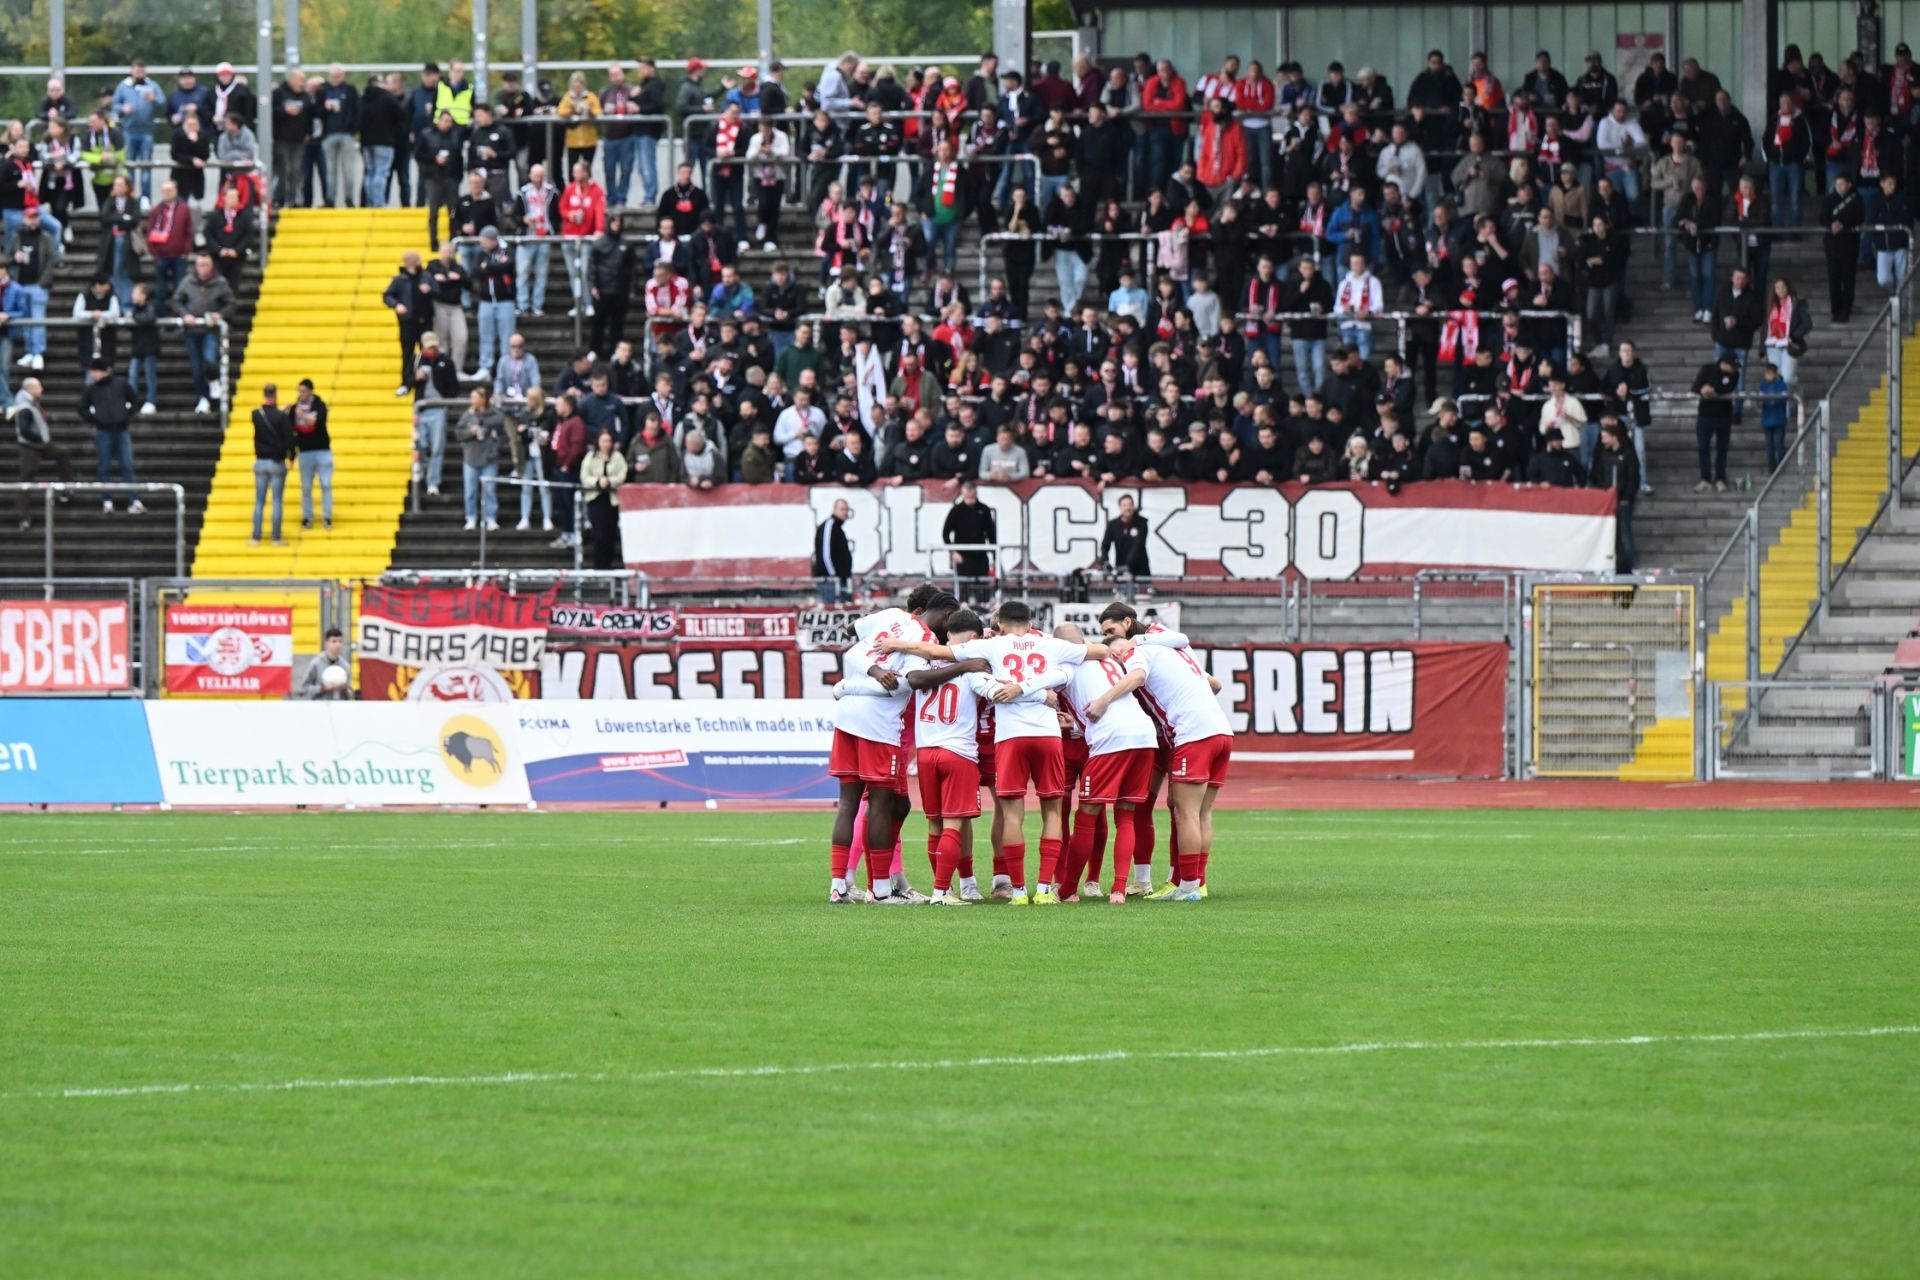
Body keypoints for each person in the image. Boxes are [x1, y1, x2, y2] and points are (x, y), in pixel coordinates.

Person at [1097, 603, 1231, 902]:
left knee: (1185, 813)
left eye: (1111, 631)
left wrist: (1103, 700)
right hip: (1220, 730)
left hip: (1191, 734)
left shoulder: (1140, 648)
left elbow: (1137, 677)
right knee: (1199, 812)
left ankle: (1187, 887)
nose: (1109, 639)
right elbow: (1214, 683)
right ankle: (1195, 882)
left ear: (1127, 624)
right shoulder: (1174, 649)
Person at [171, 254, 235, 415]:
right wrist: (185, 314)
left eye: (206, 265)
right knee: (196, 367)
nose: (203, 269)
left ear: (211, 266)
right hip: (191, 331)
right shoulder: (187, 281)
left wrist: (220, 315)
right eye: (200, 265)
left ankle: (213, 380)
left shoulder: (220, 283)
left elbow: (231, 303)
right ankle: (203, 398)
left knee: (209, 359)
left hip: (210, 330)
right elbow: (176, 301)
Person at [78, 358, 142, 513]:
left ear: (101, 371)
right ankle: (107, 499)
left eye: (94, 371)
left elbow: (135, 401)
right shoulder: (92, 389)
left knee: (127, 466)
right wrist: (96, 419)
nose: (92, 375)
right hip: (103, 431)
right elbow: (81, 408)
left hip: (121, 430)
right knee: (104, 466)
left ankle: (134, 499)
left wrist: (126, 414)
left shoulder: (121, 384)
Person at [10, 377, 73, 531]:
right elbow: (24, 430)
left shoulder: (31, 402)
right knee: (26, 480)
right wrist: (39, 439)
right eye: (39, 387)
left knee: (63, 453)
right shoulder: (25, 406)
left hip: (40, 444)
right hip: (30, 447)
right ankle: (23, 517)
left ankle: (66, 489)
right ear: (30, 389)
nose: (42, 389)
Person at [411, 330, 459, 496]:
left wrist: (446, 402)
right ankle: (424, 469)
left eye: (433, 346)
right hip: (421, 409)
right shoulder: (416, 360)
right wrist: (415, 378)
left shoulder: (445, 361)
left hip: (438, 409)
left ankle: (433, 481)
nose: (431, 350)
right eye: (428, 347)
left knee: (437, 447)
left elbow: (454, 385)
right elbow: (406, 382)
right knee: (420, 444)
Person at [1590, 418, 1640, 571]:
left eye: (1605, 437)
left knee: (1625, 532)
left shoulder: (1628, 454)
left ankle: (1629, 564)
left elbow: (1633, 477)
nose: (1602, 440)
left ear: (1614, 437)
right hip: (1607, 501)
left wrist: (1627, 497)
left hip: (1623, 501)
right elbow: (1598, 474)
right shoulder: (1604, 455)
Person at [456, 386, 506, 531]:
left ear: (483, 399)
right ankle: (471, 517)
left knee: (490, 490)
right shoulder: (467, 415)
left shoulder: (496, 416)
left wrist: (495, 447)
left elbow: (503, 436)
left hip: (489, 458)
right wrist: (469, 432)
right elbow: (459, 433)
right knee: (470, 491)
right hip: (471, 457)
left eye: (475, 397)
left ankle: (491, 517)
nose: (472, 400)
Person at [250, 383, 293, 544]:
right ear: (275, 395)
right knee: (276, 501)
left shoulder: (256, 414)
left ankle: (256, 536)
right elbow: (289, 439)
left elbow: (268, 418)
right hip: (276, 462)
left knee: (259, 501)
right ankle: (276, 537)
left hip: (260, 461)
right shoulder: (282, 417)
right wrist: (291, 457)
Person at [288, 378, 332, 531]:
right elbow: (290, 432)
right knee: (306, 487)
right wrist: (291, 455)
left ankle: (327, 516)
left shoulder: (319, 405)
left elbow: (317, 421)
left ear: (311, 392)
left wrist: (303, 415)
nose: (301, 394)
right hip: (305, 451)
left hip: (322, 450)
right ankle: (307, 516)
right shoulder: (294, 408)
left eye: (304, 391)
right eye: (299, 391)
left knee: (325, 484)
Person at [1693, 352, 1739, 492]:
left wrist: (1713, 390)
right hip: (1705, 415)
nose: (1734, 369)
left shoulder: (1734, 375)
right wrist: (1702, 390)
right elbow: (1695, 387)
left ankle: (1720, 478)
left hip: (1724, 416)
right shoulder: (1707, 369)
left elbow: (1727, 388)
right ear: (1724, 363)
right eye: (1732, 366)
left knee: (1722, 448)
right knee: (1703, 446)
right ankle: (1705, 478)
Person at [941, 479, 996, 592]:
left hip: (981, 556)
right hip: (963, 557)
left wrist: (995, 556)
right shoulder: (956, 511)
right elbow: (945, 533)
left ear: (976, 494)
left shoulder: (984, 510)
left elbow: (991, 533)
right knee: (963, 590)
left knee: (982, 590)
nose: (970, 500)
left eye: (972, 497)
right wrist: (953, 552)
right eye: (967, 497)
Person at [1823, 172, 1864, 322]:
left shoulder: (1856, 199)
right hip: (1832, 246)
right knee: (1834, 279)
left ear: (1849, 184)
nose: (1839, 187)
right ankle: (1835, 310)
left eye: (1842, 184)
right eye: (1837, 184)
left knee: (1848, 280)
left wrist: (1843, 225)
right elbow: (1822, 217)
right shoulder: (1829, 200)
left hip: (1849, 246)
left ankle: (1846, 310)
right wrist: (1831, 225)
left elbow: (1860, 217)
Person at [1764, 278, 1811, 388]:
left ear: (1788, 288)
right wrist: (1762, 349)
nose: (1781, 290)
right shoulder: (1770, 304)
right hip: (1772, 344)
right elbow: (1765, 326)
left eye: (1783, 287)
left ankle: (1792, 391)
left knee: (1787, 378)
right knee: (1775, 377)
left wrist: (1793, 336)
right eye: (1777, 288)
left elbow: (1807, 324)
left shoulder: (1797, 302)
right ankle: (1781, 398)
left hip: (1789, 344)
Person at [1095, 494, 1151, 578]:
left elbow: (1138, 545)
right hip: (1120, 568)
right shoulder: (1113, 525)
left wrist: (1127, 565)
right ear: (1120, 507)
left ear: (1133, 506)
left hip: (1140, 569)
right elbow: (1105, 545)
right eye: (1124, 505)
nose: (1128, 508)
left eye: (1130, 505)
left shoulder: (1142, 523)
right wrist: (1105, 560)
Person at [1873, 173, 1912, 290]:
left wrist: (1885, 218)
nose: (1893, 186)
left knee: (1903, 278)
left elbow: (1906, 218)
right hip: (1883, 244)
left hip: (1900, 243)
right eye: (1890, 183)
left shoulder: (1902, 198)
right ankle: (1894, 291)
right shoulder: (1876, 199)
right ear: (1882, 184)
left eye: (1894, 183)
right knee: (1883, 279)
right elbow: (1872, 219)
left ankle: (1900, 300)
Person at [814, 497, 854, 603]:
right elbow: (825, 554)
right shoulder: (829, 526)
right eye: (842, 509)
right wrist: (834, 576)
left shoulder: (838, 528)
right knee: (832, 609)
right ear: (834, 509)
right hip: (830, 582)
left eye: (846, 510)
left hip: (840, 581)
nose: (845, 513)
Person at [298, 629, 354, 699]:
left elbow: (351, 693)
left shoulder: (345, 666)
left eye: (340, 641)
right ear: (326, 643)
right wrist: (321, 689)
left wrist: (345, 689)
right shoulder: (316, 663)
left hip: (339, 705)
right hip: (320, 705)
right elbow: (304, 688)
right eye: (334, 641)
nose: (338, 645)